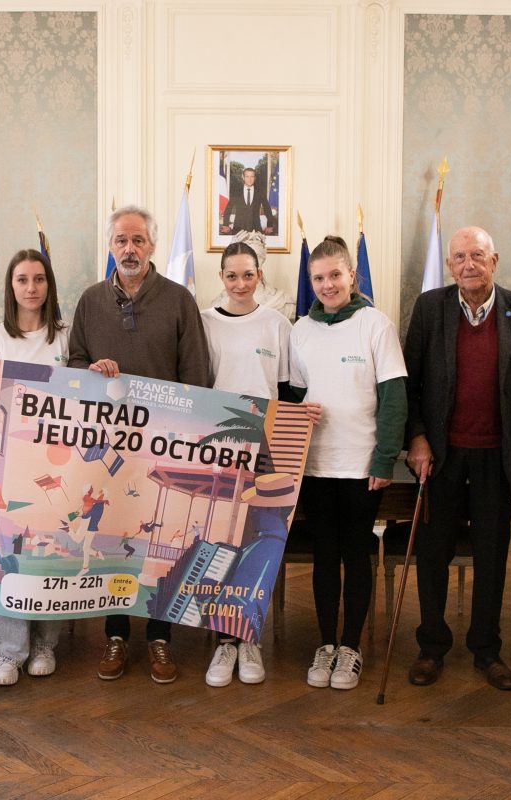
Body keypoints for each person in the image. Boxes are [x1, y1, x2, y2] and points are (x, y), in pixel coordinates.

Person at [402, 226, 511, 692]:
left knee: (492, 556)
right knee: (432, 555)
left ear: (495, 260)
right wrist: (418, 438)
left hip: (498, 459)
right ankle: (431, 646)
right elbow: (410, 383)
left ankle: (486, 650)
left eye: (477, 256)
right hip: (442, 457)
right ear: (449, 265)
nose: (468, 264)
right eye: (460, 257)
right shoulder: (430, 309)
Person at [68, 204, 210, 684]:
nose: (129, 249)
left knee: (160, 541)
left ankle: (160, 638)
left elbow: (197, 375)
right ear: (111, 246)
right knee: (115, 538)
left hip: (163, 448)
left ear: (152, 246)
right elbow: (74, 365)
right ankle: (114, 634)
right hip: (110, 447)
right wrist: (90, 372)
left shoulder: (178, 300)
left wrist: (184, 439)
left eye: (138, 240)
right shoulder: (89, 301)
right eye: (120, 240)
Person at [287, 235, 407, 690]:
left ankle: (351, 646)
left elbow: (394, 397)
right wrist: (298, 417)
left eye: (335, 275)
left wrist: (385, 458)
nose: (327, 284)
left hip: (361, 464)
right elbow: (293, 397)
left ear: (352, 276)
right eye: (318, 277)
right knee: (323, 557)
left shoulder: (376, 325)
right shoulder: (300, 330)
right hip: (316, 464)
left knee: (356, 555)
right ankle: (325, 644)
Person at [0, 248, 68, 687]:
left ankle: (46, 644)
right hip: (6, 467)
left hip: (58, 466)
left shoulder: (64, 337)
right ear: (11, 286)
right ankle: (8, 652)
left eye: (39, 279)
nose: (31, 288)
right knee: (8, 555)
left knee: (48, 552)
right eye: (23, 280)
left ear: (49, 285)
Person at [199, 240, 295, 687]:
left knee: (264, 540)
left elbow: (288, 392)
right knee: (223, 540)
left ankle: (249, 634)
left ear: (260, 275)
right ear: (221, 278)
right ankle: (223, 642)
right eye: (231, 275)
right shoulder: (204, 324)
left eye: (248, 274)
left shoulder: (277, 324)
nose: (240, 283)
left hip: (265, 449)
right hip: (218, 447)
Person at [221, 168, 275, 236]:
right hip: (238, 231)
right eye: (247, 176)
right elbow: (228, 209)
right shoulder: (236, 192)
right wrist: (225, 225)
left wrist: (270, 225)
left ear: (255, 178)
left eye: (252, 176)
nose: (249, 179)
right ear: (243, 177)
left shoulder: (260, 192)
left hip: (256, 231)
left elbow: (267, 208)